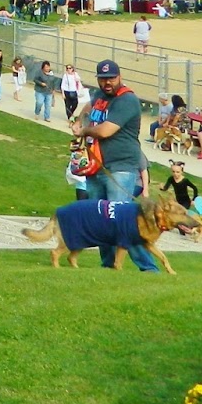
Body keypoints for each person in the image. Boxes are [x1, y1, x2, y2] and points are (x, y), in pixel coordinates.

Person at [72, 58, 157, 272]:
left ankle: (148, 268)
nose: (107, 82)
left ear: (119, 77)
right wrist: (79, 119)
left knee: (121, 220)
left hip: (121, 168)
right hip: (96, 167)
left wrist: (83, 131)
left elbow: (104, 131)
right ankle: (108, 266)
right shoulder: (100, 96)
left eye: (111, 78)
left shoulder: (127, 100)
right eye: (103, 79)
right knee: (101, 221)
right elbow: (89, 106)